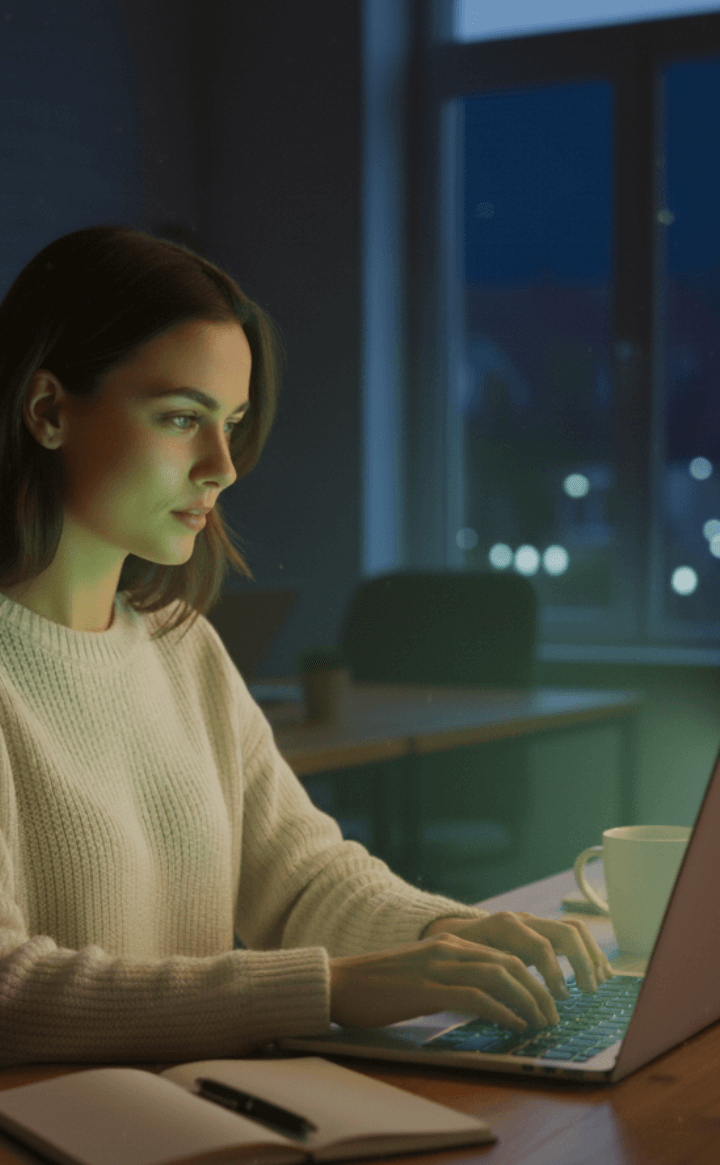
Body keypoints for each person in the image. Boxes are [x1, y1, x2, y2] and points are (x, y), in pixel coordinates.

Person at [0, 226, 613, 1067]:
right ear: (46, 411)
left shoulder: (184, 650)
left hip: (195, 1124)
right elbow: (8, 991)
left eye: (233, 422)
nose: (223, 465)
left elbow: (302, 876)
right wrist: (326, 989)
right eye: (182, 417)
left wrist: (451, 933)